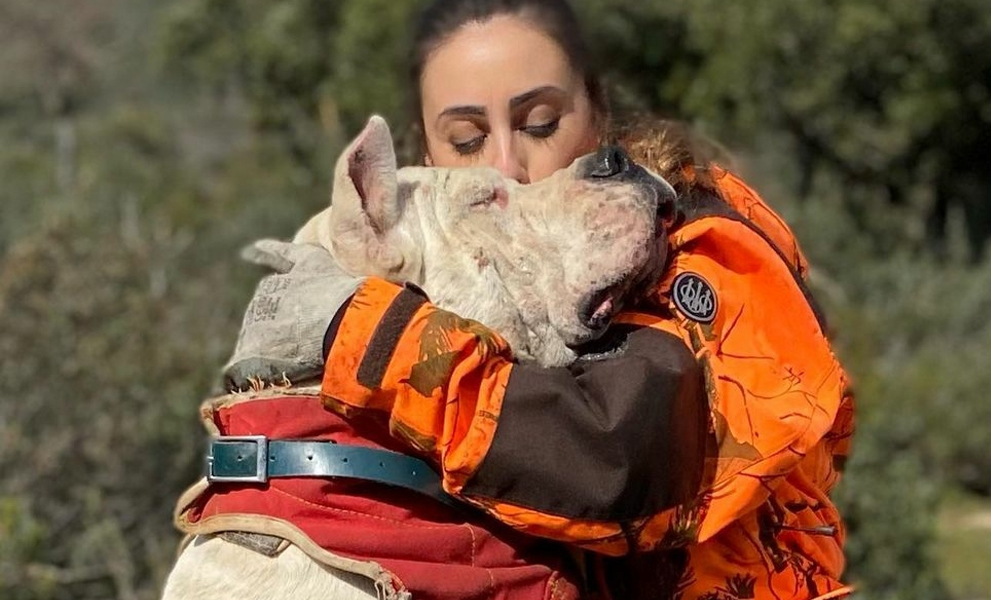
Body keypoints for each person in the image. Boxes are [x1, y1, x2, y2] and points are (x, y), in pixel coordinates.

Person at [188, 1, 855, 599]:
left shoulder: (703, 242)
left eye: (540, 123)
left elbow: (616, 455)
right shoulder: (477, 285)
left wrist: (356, 331)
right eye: (468, 142)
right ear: (425, 163)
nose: (505, 165)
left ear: (596, 112)